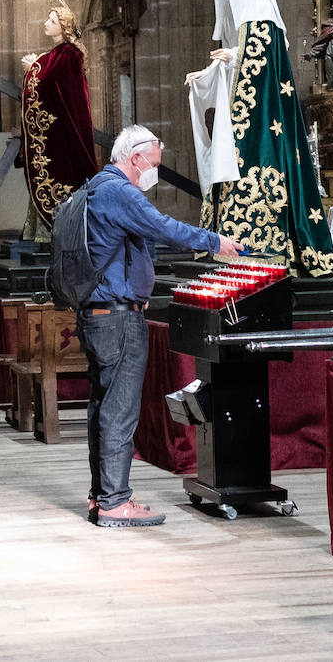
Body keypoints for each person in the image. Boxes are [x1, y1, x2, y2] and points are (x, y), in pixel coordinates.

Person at [78, 125, 242, 528]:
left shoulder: (95, 187)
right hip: (116, 318)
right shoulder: (120, 191)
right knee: (118, 409)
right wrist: (213, 241)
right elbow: (164, 227)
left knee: (103, 405)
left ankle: (101, 496)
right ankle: (115, 502)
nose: (154, 172)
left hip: (99, 313)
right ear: (135, 158)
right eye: (153, 164)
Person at [198, 0, 333, 278]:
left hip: (262, 118)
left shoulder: (259, 10)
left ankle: (262, 245)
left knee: (254, 165)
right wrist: (212, 69)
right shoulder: (246, 13)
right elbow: (240, 58)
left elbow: (260, 60)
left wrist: (232, 57)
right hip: (246, 113)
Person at [18, 0, 99, 237]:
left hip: (63, 135)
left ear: (64, 28)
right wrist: (35, 69)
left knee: (62, 178)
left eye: (52, 21)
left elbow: (54, 85)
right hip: (53, 134)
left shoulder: (69, 55)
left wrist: (33, 69)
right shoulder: (54, 55)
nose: (46, 23)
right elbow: (47, 83)